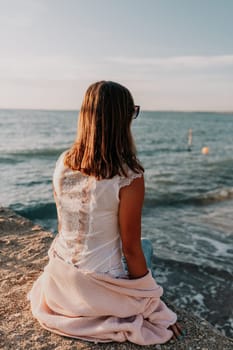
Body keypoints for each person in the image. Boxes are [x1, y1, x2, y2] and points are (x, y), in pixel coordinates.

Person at [28, 81, 183, 345]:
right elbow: (130, 249)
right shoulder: (129, 175)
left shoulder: (64, 162)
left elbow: (64, 226)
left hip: (60, 283)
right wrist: (154, 307)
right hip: (95, 290)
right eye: (132, 112)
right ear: (121, 119)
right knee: (145, 248)